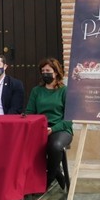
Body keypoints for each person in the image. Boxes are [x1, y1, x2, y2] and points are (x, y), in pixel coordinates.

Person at [24, 57, 73, 190]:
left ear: (56, 72)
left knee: (55, 147)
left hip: (61, 129)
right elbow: (30, 111)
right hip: (40, 128)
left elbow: (69, 119)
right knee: (24, 146)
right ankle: (58, 174)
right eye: (43, 70)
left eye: (48, 70)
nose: (45, 73)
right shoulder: (36, 91)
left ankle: (49, 178)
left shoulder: (64, 91)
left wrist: (53, 128)